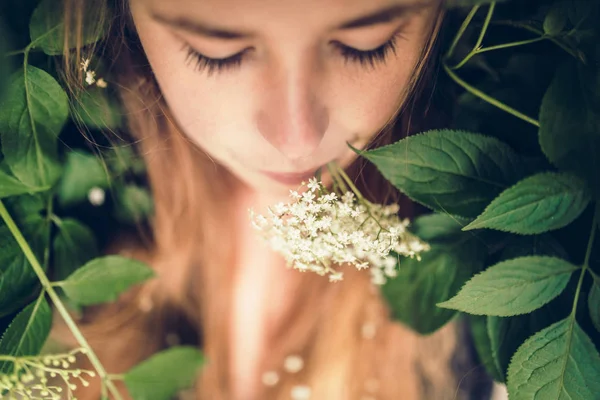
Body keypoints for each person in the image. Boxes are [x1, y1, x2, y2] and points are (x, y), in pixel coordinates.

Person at [56, 0, 494, 398]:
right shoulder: (52, 228)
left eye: (365, 46)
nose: (297, 140)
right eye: (217, 52)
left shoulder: (478, 281)